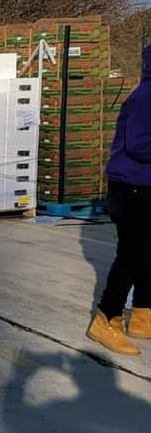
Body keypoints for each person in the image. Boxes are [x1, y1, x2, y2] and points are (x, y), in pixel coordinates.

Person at [87, 46, 151, 356]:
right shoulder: (144, 98)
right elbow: (139, 145)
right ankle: (106, 318)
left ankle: (142, 314)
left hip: (146, 186)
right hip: (131, 189)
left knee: (149, 255)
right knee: (131, 256)